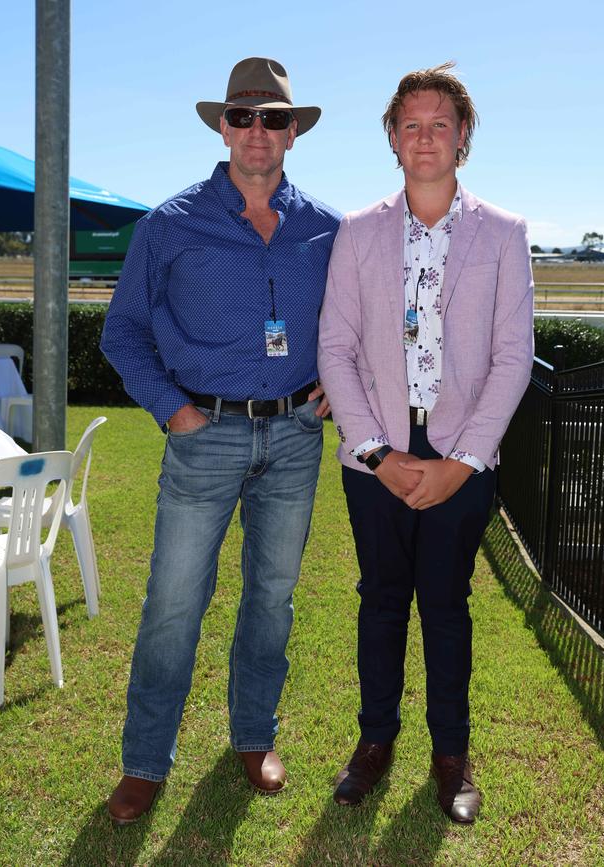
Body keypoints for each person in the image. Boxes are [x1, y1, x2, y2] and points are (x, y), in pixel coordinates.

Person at [101, 57, 340, 825]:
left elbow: (356, 324)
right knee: (174, 601)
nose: (258, 132)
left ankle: (252, 735)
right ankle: (145, 760)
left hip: (297, 437)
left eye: (274, 119)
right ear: (223, 127)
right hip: (202, 433)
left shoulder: (327, 229)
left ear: (293, 133)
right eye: (244, 117)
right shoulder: (169, 225)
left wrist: (343, 381)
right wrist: (174, 411)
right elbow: (124, 332)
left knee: (271, 598)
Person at [317, 62, 533, 823]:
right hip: (374, 457)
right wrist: (378, 452)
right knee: (380, 602)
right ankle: (374, 743)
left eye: (440, 123)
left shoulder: (505, 233)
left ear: (463, 135)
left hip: (460, 458)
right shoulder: (358, 231)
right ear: (392, 137)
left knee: (445, 607)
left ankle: (451, 756)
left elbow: (513, 355)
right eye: (411, 124)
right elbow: (335, 348)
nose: (426, 137)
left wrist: (463, 462)